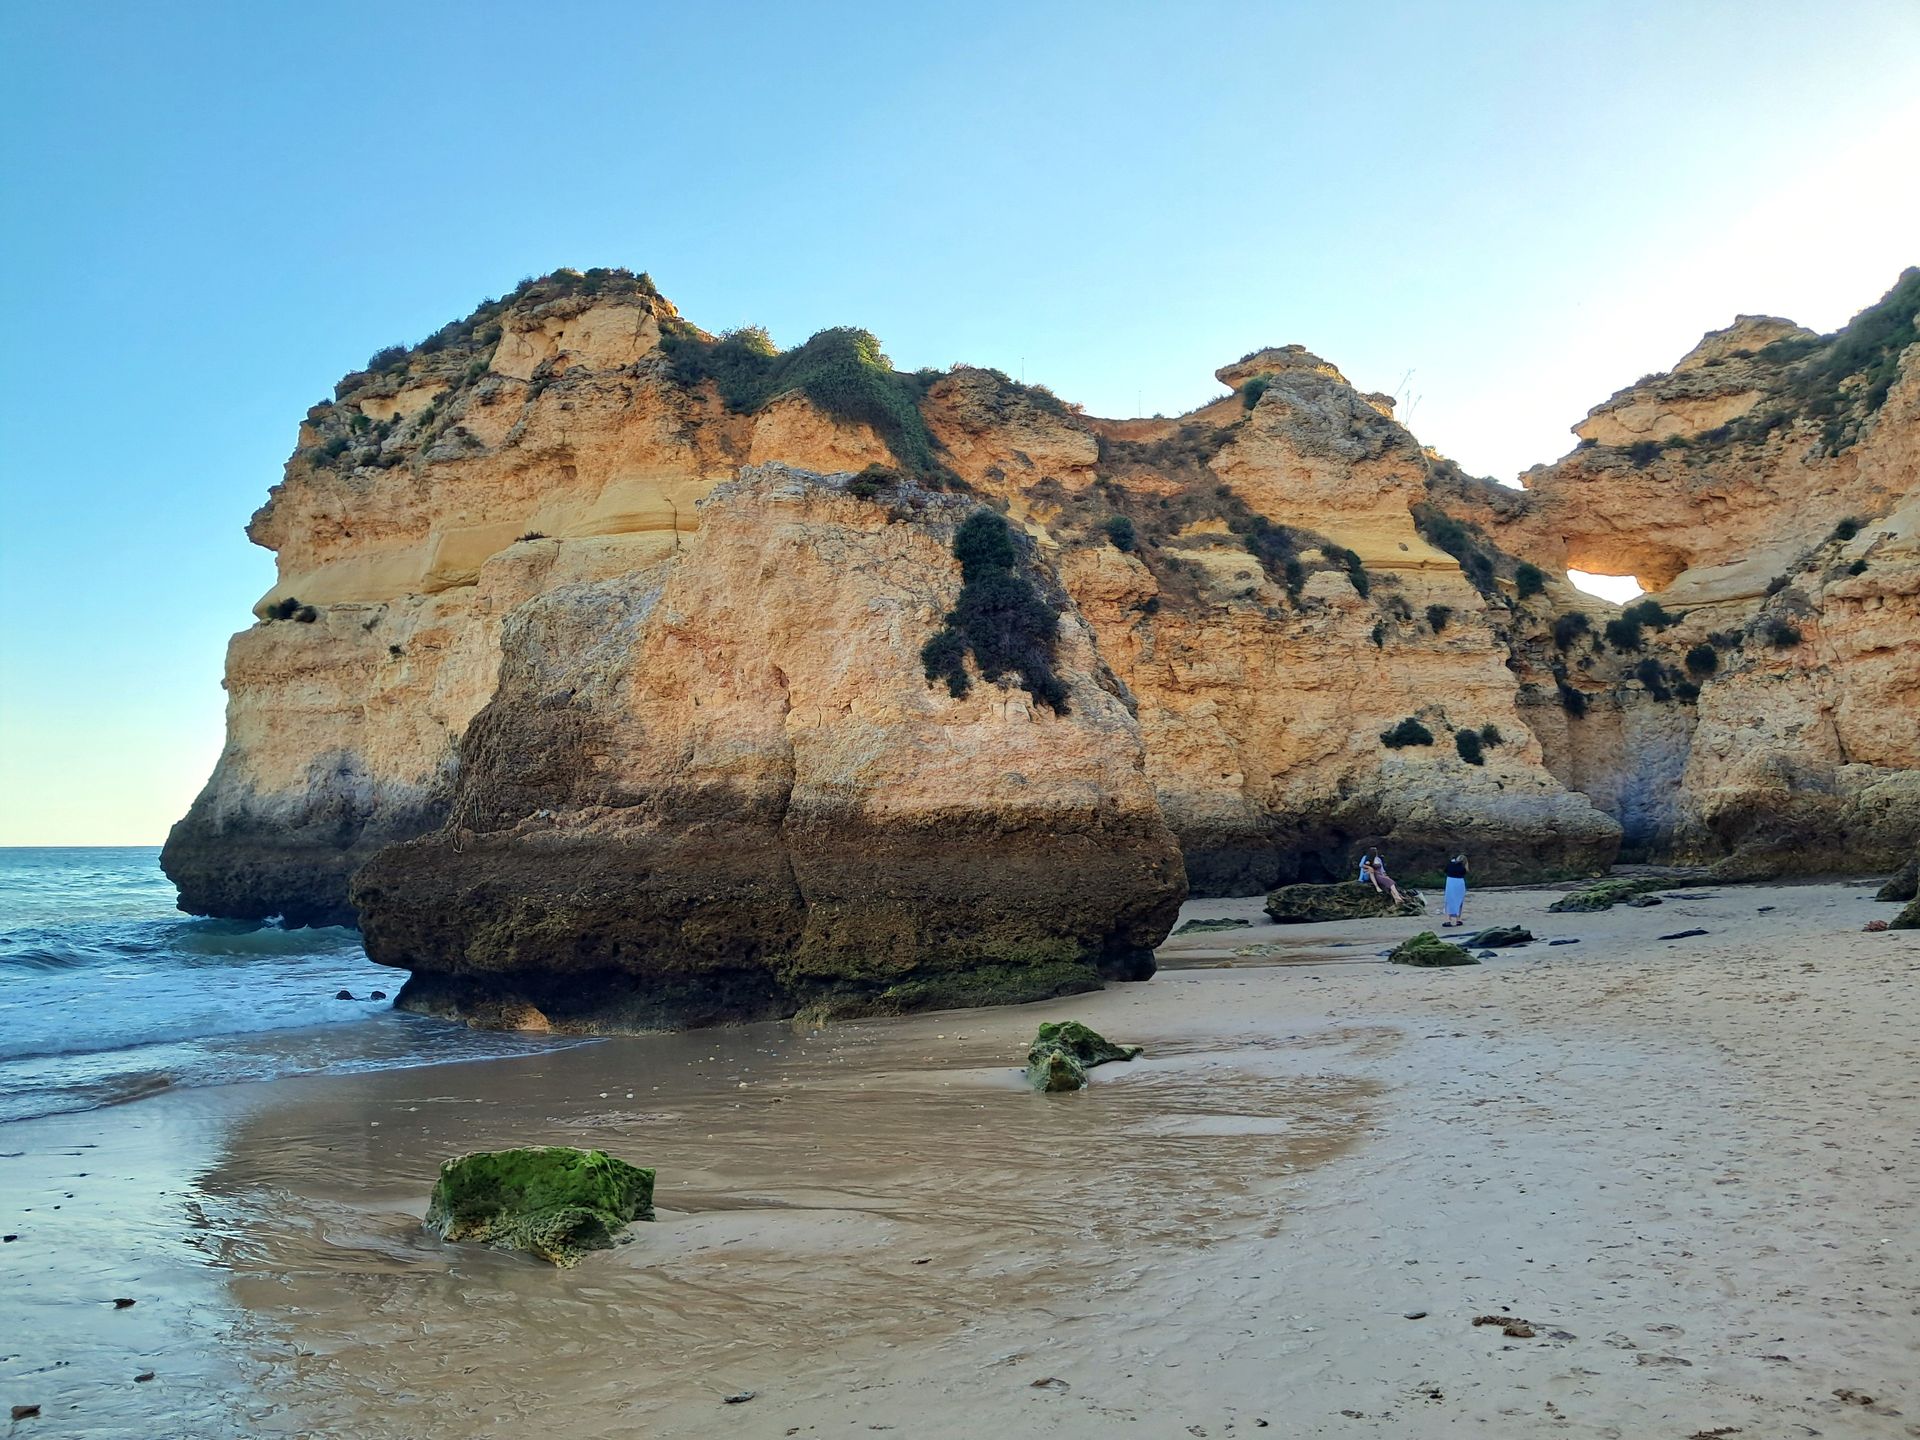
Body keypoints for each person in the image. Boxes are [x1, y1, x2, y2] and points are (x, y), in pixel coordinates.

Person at [1442, 852, 1469, 927]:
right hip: (1460, 882)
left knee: (1449, 900)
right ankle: (1458, 919)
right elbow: (1464, 872)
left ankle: (1448, 919)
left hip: (1450, 882)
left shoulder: (1451, 864)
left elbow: (1445, 870)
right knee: (1459, 901)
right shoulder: (1463, 867)